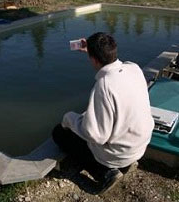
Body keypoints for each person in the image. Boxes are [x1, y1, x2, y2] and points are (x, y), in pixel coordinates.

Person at [52, 32, 154, 194]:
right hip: (140, 146)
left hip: (120, 154)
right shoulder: (133, 68)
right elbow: (113, 62)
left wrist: (69, 119)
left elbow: (96, 135)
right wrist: (92, 50)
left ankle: (106, 173)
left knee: (59, 133)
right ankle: (125, 164)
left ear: (93, 59)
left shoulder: (104, 85)